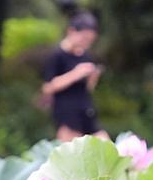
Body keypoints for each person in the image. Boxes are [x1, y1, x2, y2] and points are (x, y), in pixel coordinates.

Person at [42, 12, 108, 142]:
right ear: (71, 31)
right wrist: (75, 74)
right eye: (84, 38)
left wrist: (92, 77)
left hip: (86, 110)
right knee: (72, 153)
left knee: (105, 144)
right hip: (67, 113)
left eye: (90, 40)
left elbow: (87, 89)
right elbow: (48, 87)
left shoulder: (86, 56)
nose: (86, 43)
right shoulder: (57, 55)